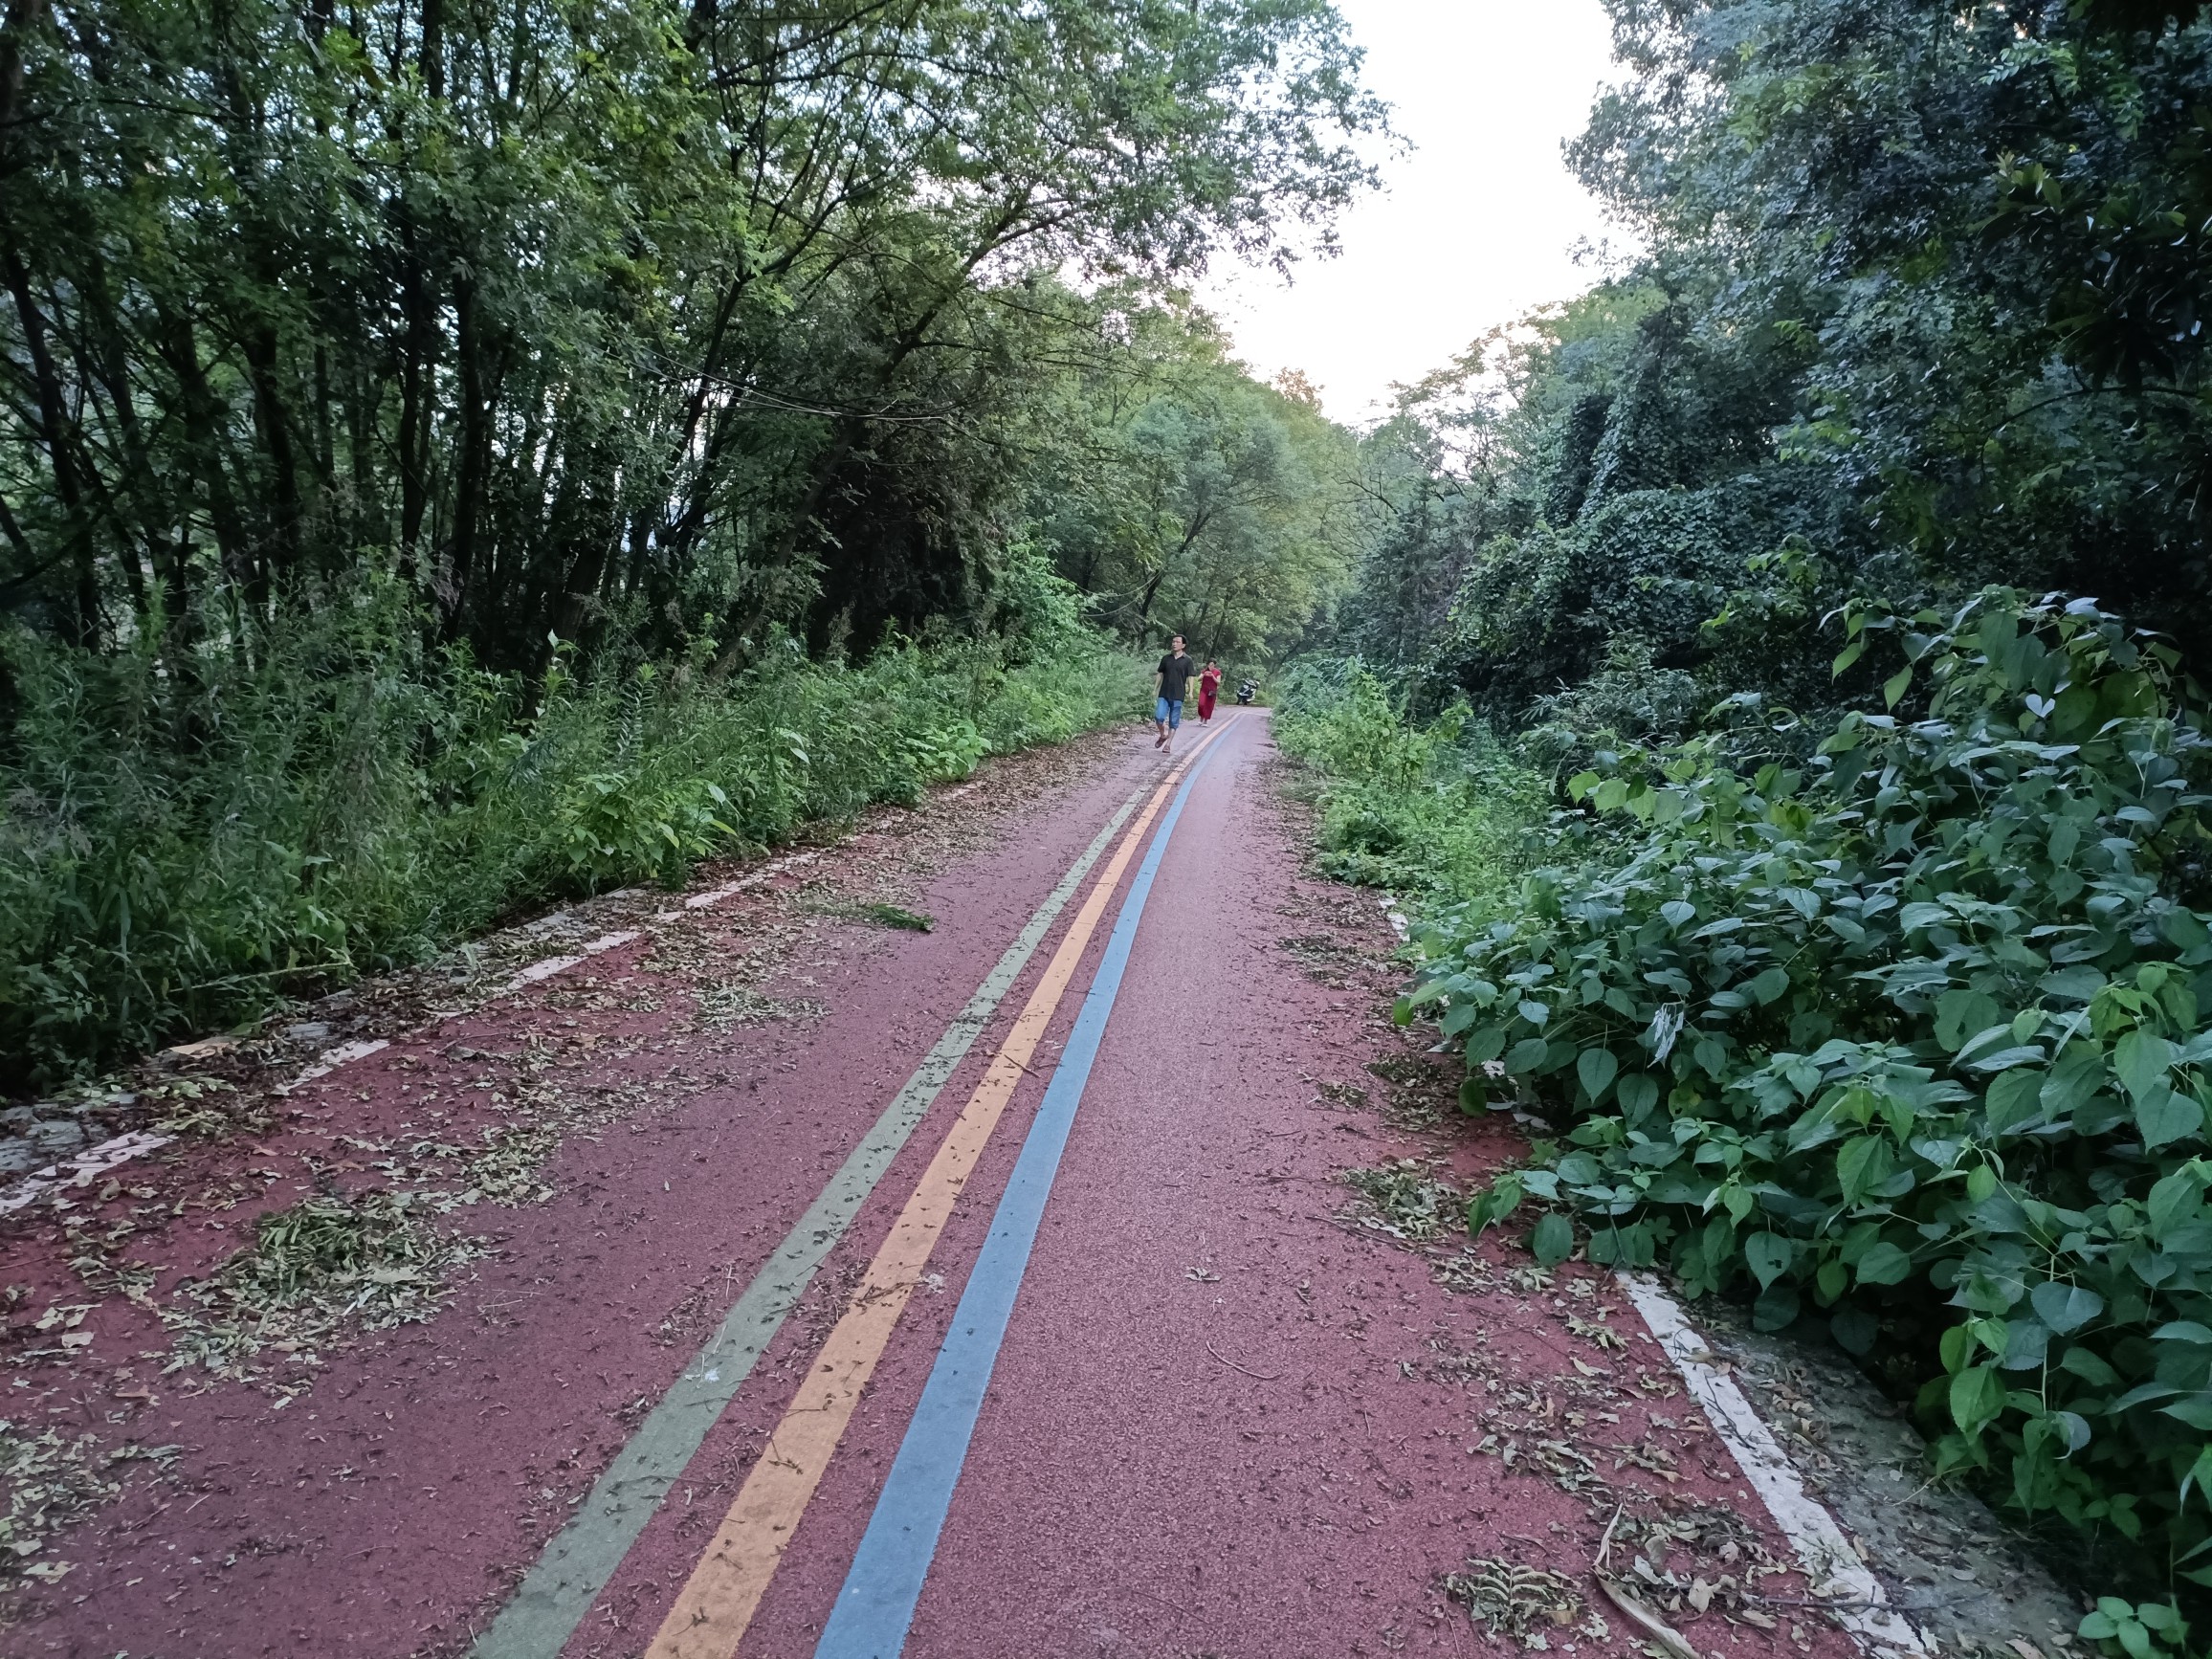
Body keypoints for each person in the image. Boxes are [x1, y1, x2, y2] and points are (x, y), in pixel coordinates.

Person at [1153, 634, 1196, 752]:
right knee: (1159, 717)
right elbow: (1160, 674)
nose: (1174, 643)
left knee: (1173, 721)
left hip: (1178, 694)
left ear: (1183, 645)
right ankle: (1163, 735)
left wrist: (1191, 691)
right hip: (1164, 693)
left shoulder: (1188, 660)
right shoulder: (1166, 658)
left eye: (1177, 642)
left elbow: (1191, 676)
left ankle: (1168, 745)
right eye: (1173, 641)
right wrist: (1155, 689)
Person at [1197, 659, 1222, 725]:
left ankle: (1205, 721)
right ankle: (1201, 719)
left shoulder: (1217, 672)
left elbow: (1219, 683)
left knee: (1209, 706)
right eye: (1210, 665)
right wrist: (1204, 674)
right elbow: (1198, 679)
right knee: (1201, 704)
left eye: (1212, 665)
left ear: (1214, 665)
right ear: (1207, 665)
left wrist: (1213, 676)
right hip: (1204, 690)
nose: (1211, 666)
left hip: (1212, 691)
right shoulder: (1204, 671)